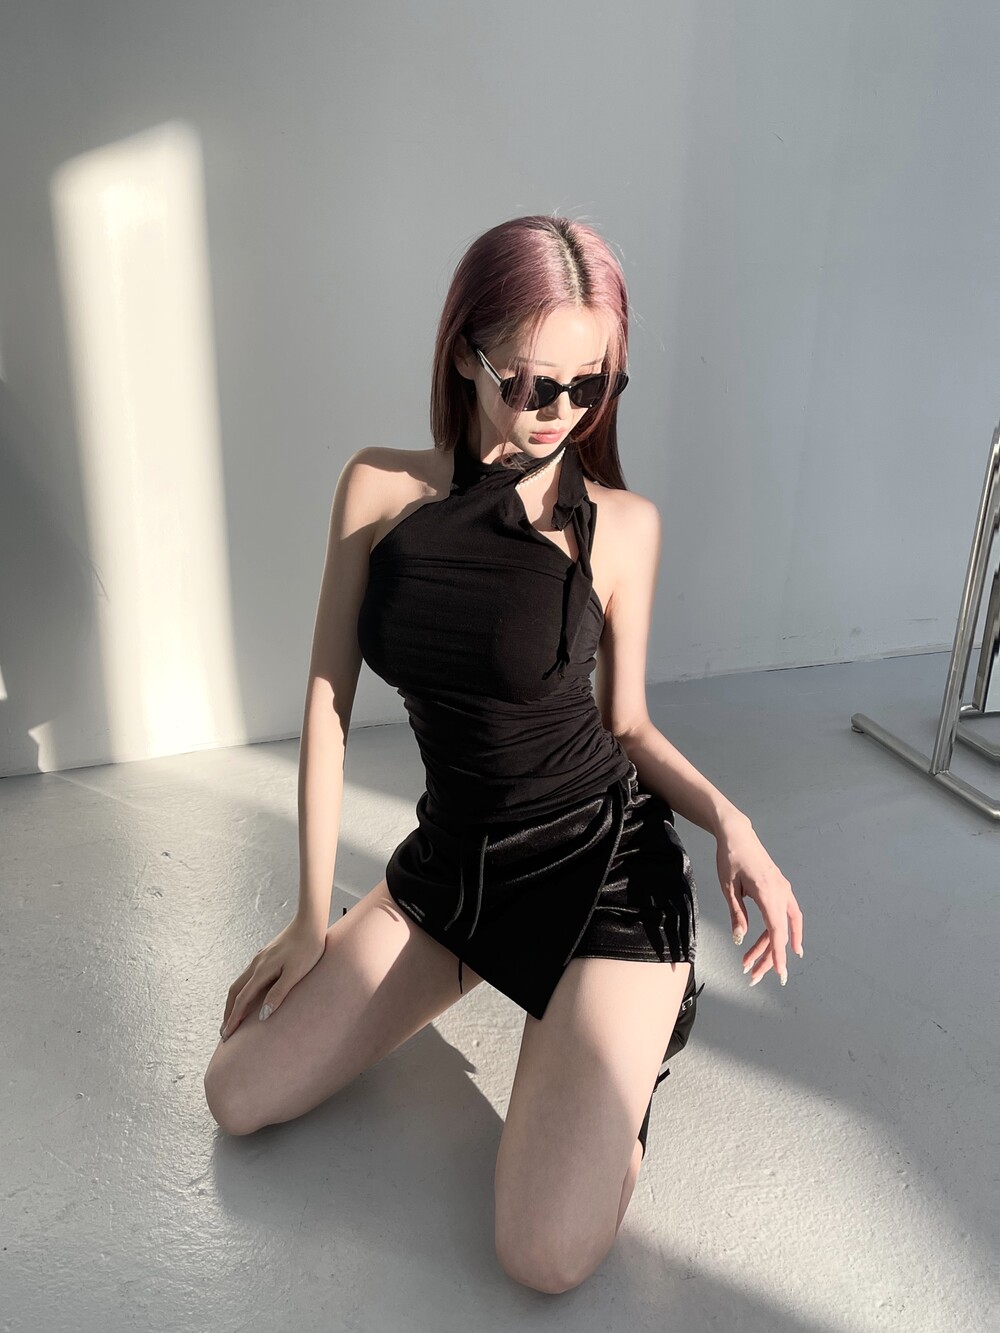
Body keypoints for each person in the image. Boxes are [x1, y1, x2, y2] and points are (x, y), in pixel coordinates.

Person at [203, 214, 804, 1293]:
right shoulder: (378, 491)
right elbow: (329, 702)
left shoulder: (620, 526)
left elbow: (626, 725)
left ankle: (631, 1038)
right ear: (465, 356)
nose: (561, 411)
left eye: (591, 385)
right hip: (455, 868)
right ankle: (523, 989)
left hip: (604, 873)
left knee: (541, 1253)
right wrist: (304, 917)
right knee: (236, 1092)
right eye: (532, 384)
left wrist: (733, 821)